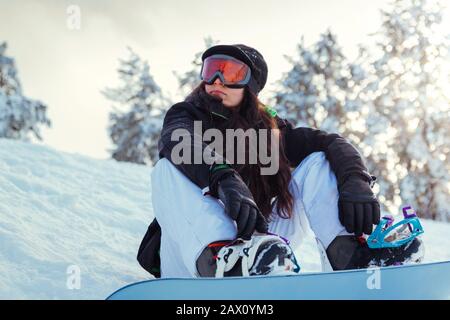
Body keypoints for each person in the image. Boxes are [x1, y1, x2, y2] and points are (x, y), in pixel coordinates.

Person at [138, 44, 424, 278]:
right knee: (167, 168)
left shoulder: (269, 132)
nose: (216, 81)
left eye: (230, 72)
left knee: (318, 159)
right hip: (191, 259)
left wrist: (355, 181)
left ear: (250, 86)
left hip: (255, 249)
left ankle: (351, 257)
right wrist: (223, 177)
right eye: (212, 69)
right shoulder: (186, 115)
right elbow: (179, 139)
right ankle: (221, 260)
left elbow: (331, 141)